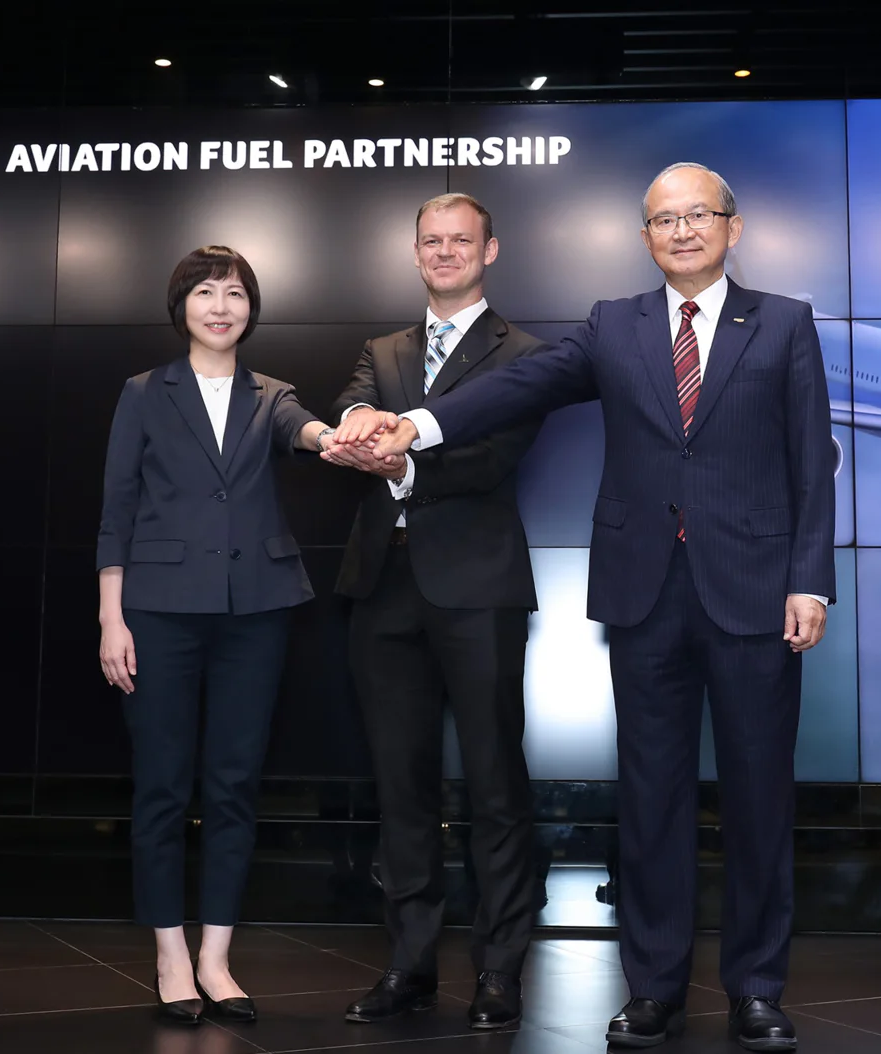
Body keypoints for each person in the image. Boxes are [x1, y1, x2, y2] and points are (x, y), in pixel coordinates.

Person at [348, 162, 836, 1052]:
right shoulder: (618, 325)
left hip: (758, 595)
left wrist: (811, 579)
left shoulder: (786, 323)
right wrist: (416, 424)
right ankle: (651, 987)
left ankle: (758, 988)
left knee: (761, 799)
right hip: (644, 590)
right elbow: (513, 389)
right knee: (651, 798)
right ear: (645, 237)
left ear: (734, 226)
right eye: (663, 220)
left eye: (698, 215)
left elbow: (814, 459)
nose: (681, 231)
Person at [320, 193, 545, 1029]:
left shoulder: (522, 352)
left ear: (491, 250)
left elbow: (495, 456)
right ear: (416, 253)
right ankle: (410, 967)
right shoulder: (384, 348)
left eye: (461, 240)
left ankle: (499, 974)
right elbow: (351, 404)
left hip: (479, 591)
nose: (445, 252)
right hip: (384, 588)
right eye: (432, 241)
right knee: (401, 787)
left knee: (495, 786)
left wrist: (400, 466)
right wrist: (357, 429)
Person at [97, 245, 335, 1027]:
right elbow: (116, 511)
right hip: (159, 611)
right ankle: (170, 954)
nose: (221, 306)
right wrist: (112, 617)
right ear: (182, 307)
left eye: (234, 293)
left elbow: (304, 431)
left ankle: (216, 959)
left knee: (234, 786)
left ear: (250, 308)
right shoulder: (143, 393)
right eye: (206, 292)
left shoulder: (273, 393)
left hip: (256, 612)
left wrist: (334, 438)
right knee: (163, 787)